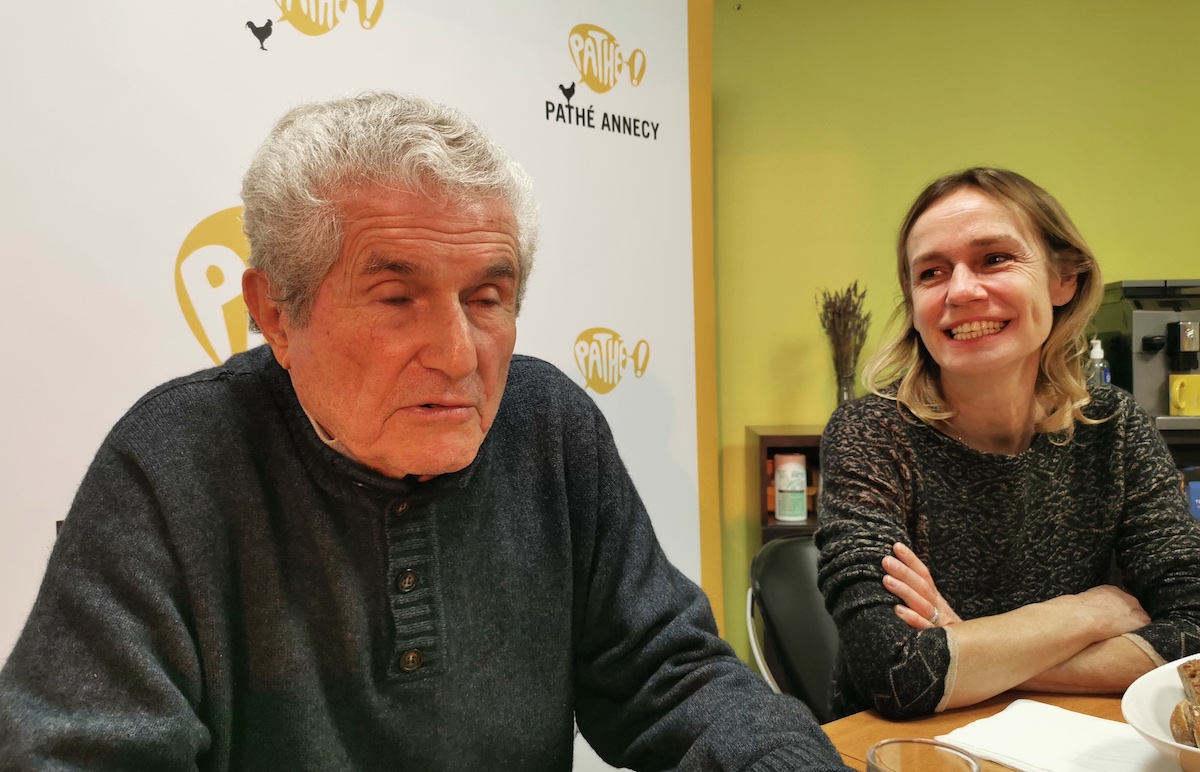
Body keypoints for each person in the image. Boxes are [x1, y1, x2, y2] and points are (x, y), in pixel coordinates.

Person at [0, 93, 850, 770]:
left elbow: (669, 675)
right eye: (397, 298)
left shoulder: (549, 425)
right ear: (275, 314)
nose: (456, 355)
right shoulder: (172, 461)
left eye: (487, 297)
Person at [817, 167, 1200, 720]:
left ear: (1063, 279)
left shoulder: (1111, 427)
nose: (962, 290)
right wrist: (1083, 615)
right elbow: (894, 674)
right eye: (932, 272)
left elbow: (1193, 632)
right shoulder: (871, 434)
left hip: (1073, 742)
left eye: (995, 258)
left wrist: (967, 647)